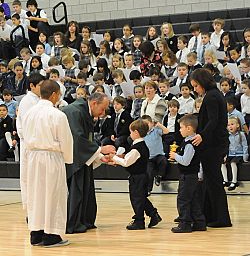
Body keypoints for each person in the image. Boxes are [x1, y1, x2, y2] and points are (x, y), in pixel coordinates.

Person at [22, 80, 73, 247]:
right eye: (58, 94)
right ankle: (51, 235)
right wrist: (67, 159)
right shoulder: (57, 115)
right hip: (51, 157)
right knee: (53, 195)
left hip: (32, 158)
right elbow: (66, 140)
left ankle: (36, 233)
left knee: (36, 195)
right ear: (53, 95)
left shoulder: (30, 113)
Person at [62, 92, 116, 234]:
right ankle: (73, 223)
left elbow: (87, 139)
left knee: (85, 188)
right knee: (77, 189)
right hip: (74, 158)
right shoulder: (75, 111)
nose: (103, 113)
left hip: (82, 157)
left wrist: (99, 156)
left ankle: (84, 220)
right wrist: (100, 149)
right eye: (102, 109)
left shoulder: (84, 112)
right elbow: (77, 139)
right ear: (93, 103)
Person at [190, 68, 232, 228]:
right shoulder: (213, 95)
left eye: (195, 86)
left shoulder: (212, 96)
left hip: (213, 145)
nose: (195, 89)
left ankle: (222, 218)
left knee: (214, 181)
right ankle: (208, 215)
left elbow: (213, 121)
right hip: (213, 144)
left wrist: (202, 135)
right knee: (209, 180)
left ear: (202, 82)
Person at [111, 119, 162, 230]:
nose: (130, 134)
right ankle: (153, 214)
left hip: (138, 177)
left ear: (136, 133)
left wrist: (113, 157)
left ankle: (139, 221)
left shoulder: (137, 148)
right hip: (142, 176)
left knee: (136, 199)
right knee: (141, 198)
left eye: (130, 132)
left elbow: (126, 162)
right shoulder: (140, 146)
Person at [169, 114, 206, 233]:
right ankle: (199, 222)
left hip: (188, 176)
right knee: (193, 199)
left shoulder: (190, 144)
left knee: (183, 199)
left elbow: (185, 161)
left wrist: (175, 156)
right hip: (192, 176)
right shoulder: (189, 142)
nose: (179, 130)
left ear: (189, 128)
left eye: (181, 127)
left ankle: (184, 223)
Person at [16, 73, 45, 213]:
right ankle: (29, 209)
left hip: (37, 144)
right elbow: (26, 125)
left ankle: (36, 208)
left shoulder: (39, 100)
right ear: (32, 86)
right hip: (29, 144)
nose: (42, 88)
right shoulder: (28, 101)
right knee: (28, 177)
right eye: (40, 86)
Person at [221, 117, 248, 191]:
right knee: (222, 163)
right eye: (228, 125)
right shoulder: (227, 136)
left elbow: (245, 145)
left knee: (233, 163)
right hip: (230, 154)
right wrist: (225, 155)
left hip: (239, 154)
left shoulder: (241, 134)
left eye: (232, 124)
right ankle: (225, 180)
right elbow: (226, 146)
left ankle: (234, 181)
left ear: (238, 125)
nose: (230, 126)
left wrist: (245, 156)